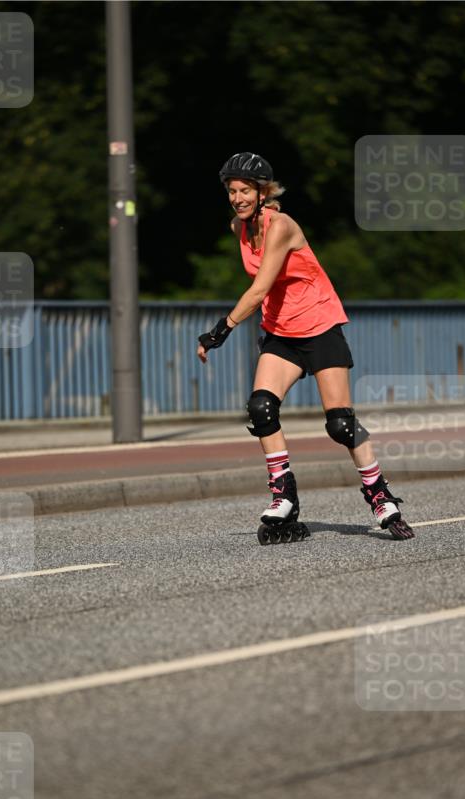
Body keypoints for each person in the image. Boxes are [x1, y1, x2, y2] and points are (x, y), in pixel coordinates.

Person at [198, 152, 414, 543]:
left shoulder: (281, 226)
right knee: (261, 407)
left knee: (340, 424)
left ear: (263, 192)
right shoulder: (239, 228)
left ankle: (380, 496)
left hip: (319, 327)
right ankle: (284, 495)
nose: (237, 198)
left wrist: (220, 330)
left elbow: (260, 287)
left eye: (245, 190)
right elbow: (266, 290)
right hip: (281, 333)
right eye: (232, 191)